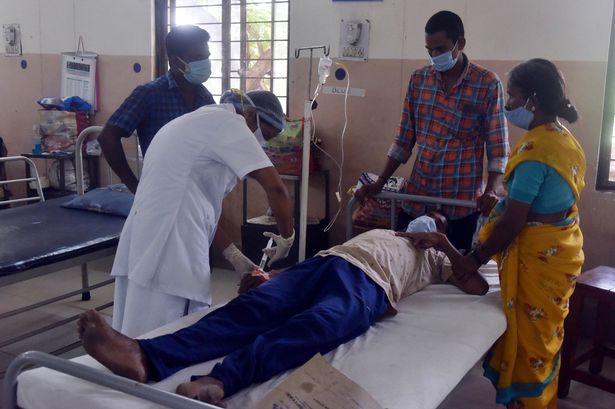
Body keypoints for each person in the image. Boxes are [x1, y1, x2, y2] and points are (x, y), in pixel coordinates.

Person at [79, 228, 488, 405]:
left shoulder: (436, 257)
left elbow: (478, 287)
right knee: (253, 308)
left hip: (371, 286)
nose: (421, 225)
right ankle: (145, 355)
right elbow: (315, 262)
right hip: (325, 264)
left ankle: (219, 381)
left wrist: (444, 244)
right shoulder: (383, 233)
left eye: (432, 223)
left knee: (316, 327)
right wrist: (271, 276)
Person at [425, 59, 586, 409]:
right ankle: (539, 398)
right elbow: (541, 200)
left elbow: (514, 223)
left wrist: (473, 259)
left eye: (512, 97)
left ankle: (526, 403)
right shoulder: (565, 140)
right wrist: (499, 204)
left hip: (540, 257)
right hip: (563, 246)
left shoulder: (534, 152)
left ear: (533, 101)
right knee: (545, 337)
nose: (507, 104)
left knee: (530, 341)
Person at [111, 89, 295, 337]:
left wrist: (236, 258)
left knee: (135, 327)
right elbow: (276, 188)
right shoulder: (230, 124)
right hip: (171, 242)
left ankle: (126, 366)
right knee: (166, 332)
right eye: (267, 135)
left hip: (148, 232)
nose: (263, 143)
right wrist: (287, 237)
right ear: (251, 115)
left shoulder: (195, 122)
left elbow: (202, 209)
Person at [355, 10, 509, 250]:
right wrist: (381, 182)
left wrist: (492, 189)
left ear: (460, 44)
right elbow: (404, 139)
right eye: (429, 50)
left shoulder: (487, 83)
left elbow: (498, 147)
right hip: (418, 198)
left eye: (441, 49)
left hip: (460, 203)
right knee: (405, 263)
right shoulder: (420, 80)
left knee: (451, 271)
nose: (435, 56)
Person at [98, 25, 216, 194]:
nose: (204, 64)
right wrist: (133, 185)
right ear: (175, 61)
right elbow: (107, 137)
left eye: (206, 57)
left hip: (198, 191)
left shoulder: (204, 97)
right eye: (197, 58)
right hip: (161, 190)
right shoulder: (149, 94)